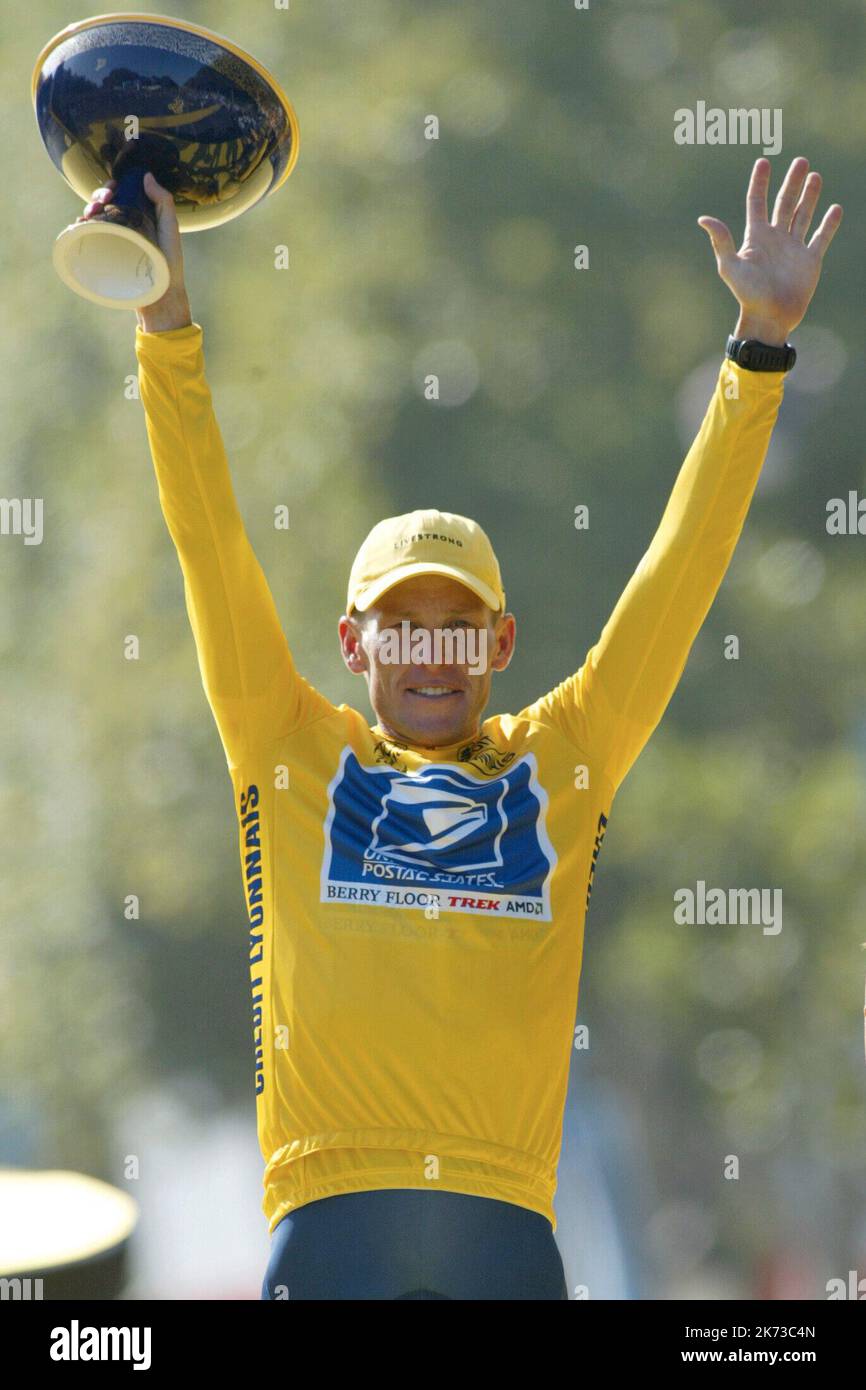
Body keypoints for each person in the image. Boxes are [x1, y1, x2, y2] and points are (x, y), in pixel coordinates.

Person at [79, 157, 841, 1300]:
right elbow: (209, 539)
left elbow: (675, 576)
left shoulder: (565, 755)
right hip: (328, 1221)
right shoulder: (284, 743)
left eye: (455, 624)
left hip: (502, 1230)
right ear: (354, 645)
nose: (429, 649)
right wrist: (167, 322)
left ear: (497, 642)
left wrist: (756, 354)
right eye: (402, 624)